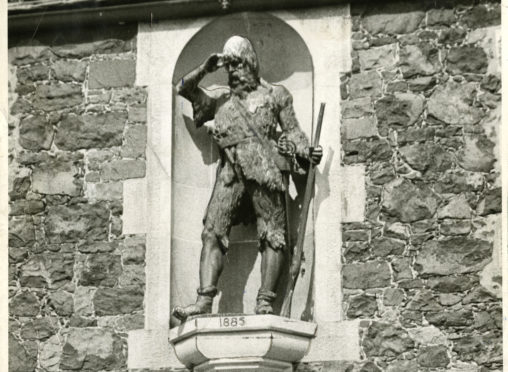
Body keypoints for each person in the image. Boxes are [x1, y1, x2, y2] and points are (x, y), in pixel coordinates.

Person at [172, 35, 322, 321]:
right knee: (212, 232)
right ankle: (204, 300)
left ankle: (265, 302)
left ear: (251, 63)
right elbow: (183, 88)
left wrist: (306, 150)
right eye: (229, 66)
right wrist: (206, 67)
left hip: (265, 173)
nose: (232, 71)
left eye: (238, 63)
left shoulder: (275, 95)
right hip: (230, 175)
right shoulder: (220, 101)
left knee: (273, 236)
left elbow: (293, 132)